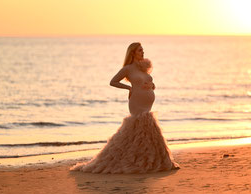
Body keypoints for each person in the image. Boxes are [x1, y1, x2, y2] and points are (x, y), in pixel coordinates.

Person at [70, 42, 180, 173]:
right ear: (133, 52)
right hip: (136, 103)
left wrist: (152, 85)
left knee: (148, 132)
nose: (143, 52)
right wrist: (128, 87)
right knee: (138, 131)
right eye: (140, 50)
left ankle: (151, 160)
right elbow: (113, 81)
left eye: (143, 50)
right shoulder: (128, 69)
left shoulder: (143, 68)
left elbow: (147, 81)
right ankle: (132, 160)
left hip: (147, 104)